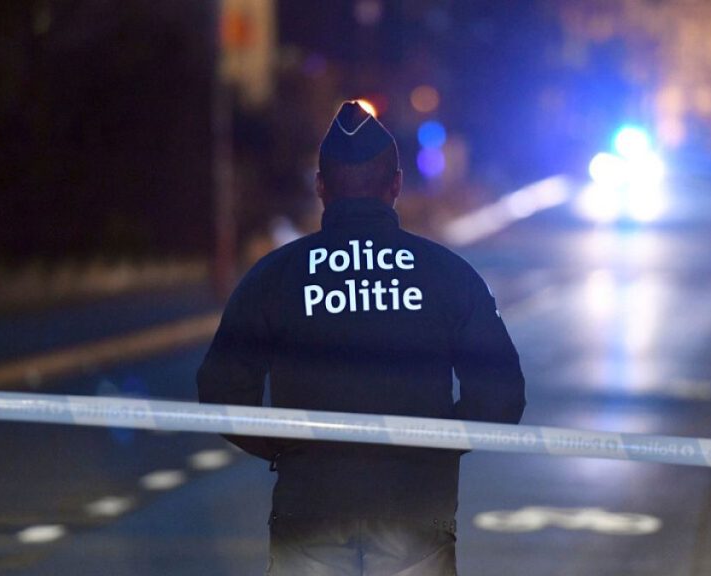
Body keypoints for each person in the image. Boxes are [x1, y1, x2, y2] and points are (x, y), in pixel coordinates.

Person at [197, 101, 525, 576]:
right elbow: (501, 396)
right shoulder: (447, 274)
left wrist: (292, 448)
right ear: (396, 185)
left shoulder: (275, 276)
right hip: (415, 511)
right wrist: (431, 445)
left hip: (310, 508)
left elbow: (221, 391)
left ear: (320, 186)